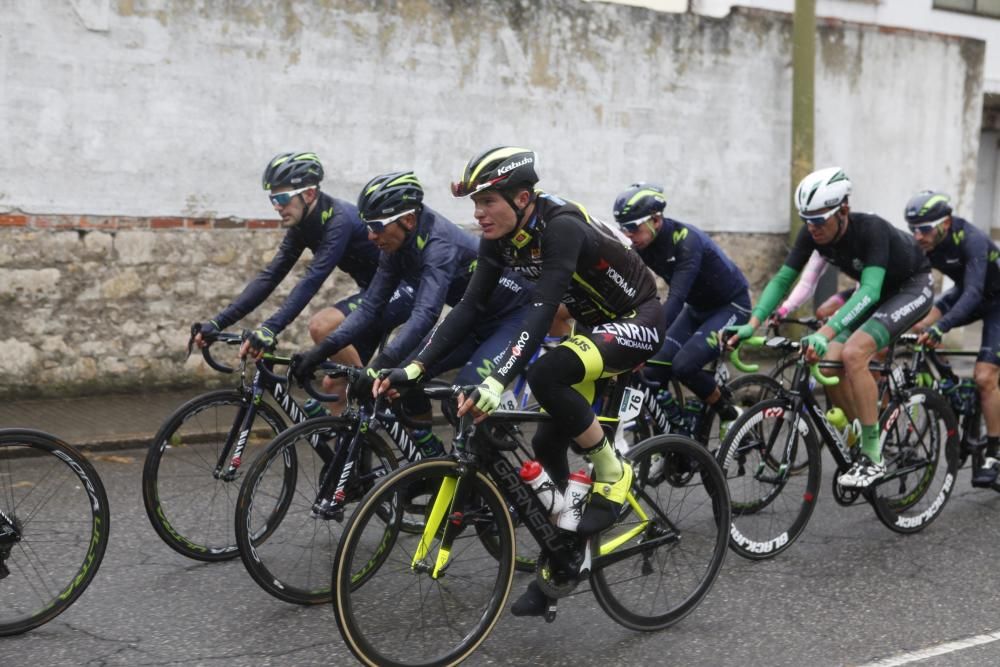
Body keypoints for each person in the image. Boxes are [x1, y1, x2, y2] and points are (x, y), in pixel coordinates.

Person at [373, 147, 665, 617]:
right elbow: (468, 308)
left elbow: (542, 310)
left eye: (488, 201)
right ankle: (561, 561)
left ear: (522, 198)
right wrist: (416, 367)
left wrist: (496, 380)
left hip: (639, 319)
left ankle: (614, 472)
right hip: (595, 327)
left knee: (547, 373)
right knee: (548, 443)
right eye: (475, 203)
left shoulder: (561, 227)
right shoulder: (501, 237)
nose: (478, 213)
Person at [292, 170, 534, 454]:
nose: (370, 236)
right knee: (399, 378)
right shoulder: (395, 245)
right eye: (367, 225)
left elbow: (425, 314)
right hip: (469, 321)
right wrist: (319, 353)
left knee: (464, 396)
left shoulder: (438, 244)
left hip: (512, 321)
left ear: (407, 220)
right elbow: (370, 306)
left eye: (377, 226)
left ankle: (491, 471)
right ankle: (427, 454)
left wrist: (375, 365)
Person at [726, 167, 933, 488]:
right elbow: (783, 279)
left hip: (910, 288)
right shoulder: (812, 232)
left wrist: (825, 333)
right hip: (877, 292)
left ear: (843, 210)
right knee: (825, 362)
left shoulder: (872, 229)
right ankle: (859, 430)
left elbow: (869, 291)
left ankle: (873, 455)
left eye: (820, 220)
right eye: (807, 220)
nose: (813, 228)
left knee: (854, 353)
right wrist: (752, 324)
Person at [193, 153, 413, 410]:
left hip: (403, 290)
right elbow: (271, 275)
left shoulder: (338, 220)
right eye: (273, 199)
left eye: (282, 198)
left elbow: (313, 278)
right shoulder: (302, 226)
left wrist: (270, 328)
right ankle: (353, 428)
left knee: (322, 326)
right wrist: (218, 322)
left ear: (308, 194)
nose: (276, 206)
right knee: (334, 386)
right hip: (374, 295)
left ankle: (371, 394)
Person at [612, 183, 749, 429]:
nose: (628, 235)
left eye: (632, 227)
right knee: (651, 370)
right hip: (696, 310)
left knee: (683, 366)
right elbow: (627, 290)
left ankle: (730, 413)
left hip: (731, 307)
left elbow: (675, 298)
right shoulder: (642, 245)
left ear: (656, 220)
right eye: (623, 228)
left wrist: (645, 340)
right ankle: (676, 427)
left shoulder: (686, 241)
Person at [906, 190, 1000, 486]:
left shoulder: (971, 239)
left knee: (985, 377)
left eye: (924, 229)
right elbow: (905, 283)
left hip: (995, 301)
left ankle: (994, 453)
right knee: (919, 325)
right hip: (967, 293)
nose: (918, 236)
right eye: (913, 229)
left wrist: (942, 327)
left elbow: (973, 292)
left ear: (945, 222)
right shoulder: (924, 244)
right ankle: (949, 379)